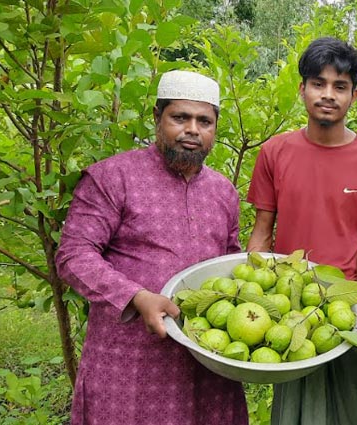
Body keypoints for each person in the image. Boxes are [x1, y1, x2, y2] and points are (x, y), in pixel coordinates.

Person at [55, 70, 248, 424]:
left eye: (204, 121)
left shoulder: (224, 192)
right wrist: (137, 297)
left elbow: (229, 262)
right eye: (180, 117)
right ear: (157, 118)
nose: (192, 129)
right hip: (130, 355)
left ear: (215, 129)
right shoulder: (112, 177)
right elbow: (73, 254)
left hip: (206, 353)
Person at [246, 37, 357, 425]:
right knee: (291, 410)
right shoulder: (274, 153)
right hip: (287, 302)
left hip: (346, 307)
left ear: (354, 95)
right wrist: (255, 294)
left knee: (349, 405)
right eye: (318, 83)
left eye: (340, 86)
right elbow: (262, 232)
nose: (328, 95)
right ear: (302, 89)